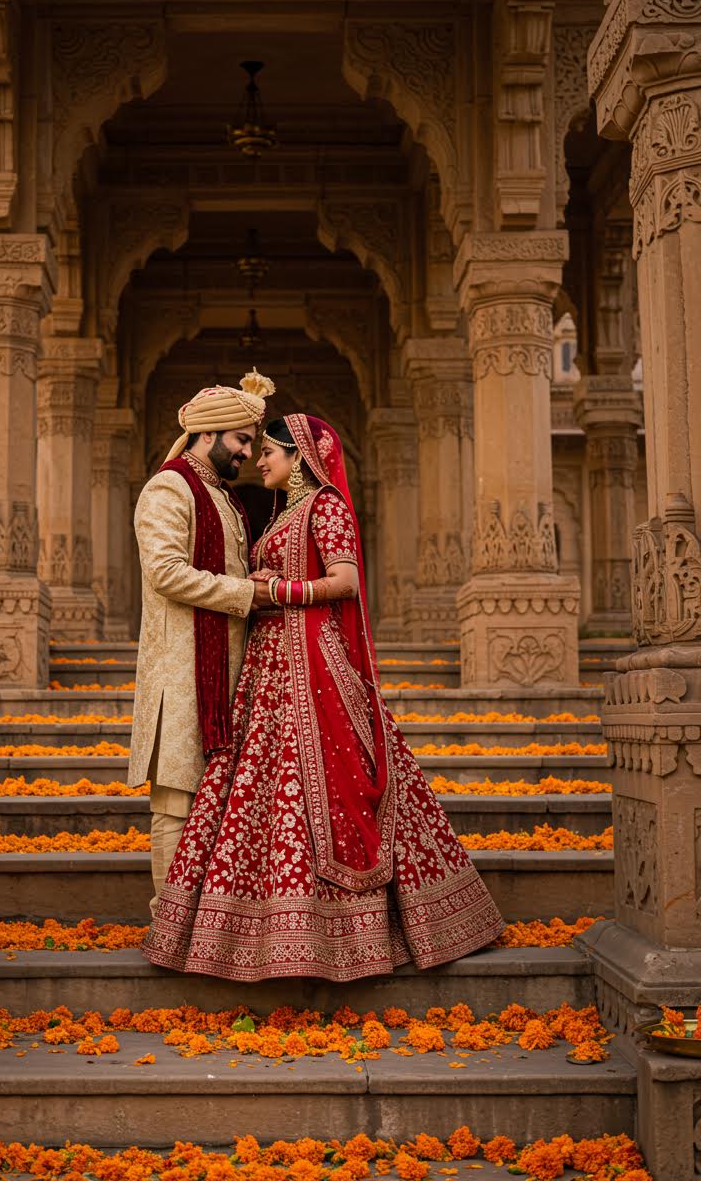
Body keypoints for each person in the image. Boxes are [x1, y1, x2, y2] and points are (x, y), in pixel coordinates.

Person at [142, 412, 505, 979]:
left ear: (300, 456)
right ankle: (269, 926)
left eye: (270, 451)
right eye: (250, 446)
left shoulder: (325, 505)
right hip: (270, 665)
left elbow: (346, 581)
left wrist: (276, 591)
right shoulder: (279, 510)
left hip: (311, 659)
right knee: (275, 790)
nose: (258, 459)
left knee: (327, 780)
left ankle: (347, 929)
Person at [129, 370, 276, 915]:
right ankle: (169, 917)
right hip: (182, 671)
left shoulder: (222, 498)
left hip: (224, 671)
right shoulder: (169, 488)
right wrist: (247, 594)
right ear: (209, 434)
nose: (246, 454)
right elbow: (166, 572)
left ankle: (206, 921)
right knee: (176, 803)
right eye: (240, 440)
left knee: (214, 804)